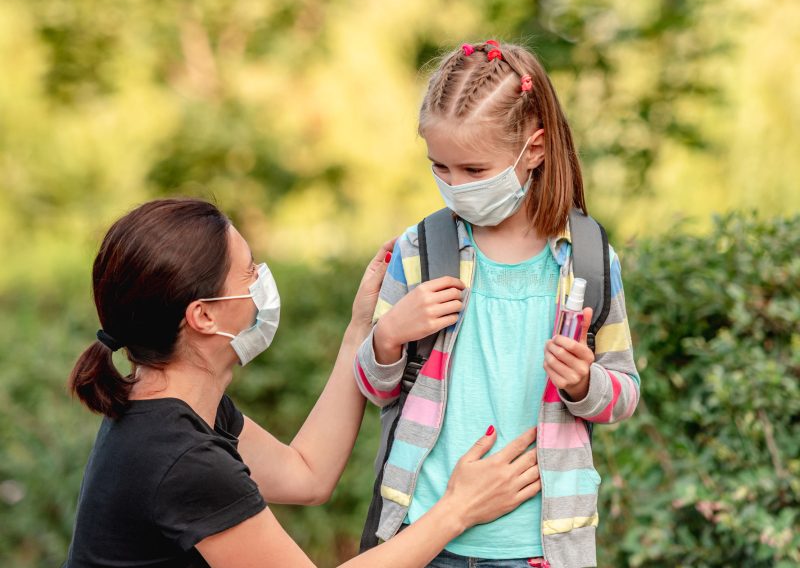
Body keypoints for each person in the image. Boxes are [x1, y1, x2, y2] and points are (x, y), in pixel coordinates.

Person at [63, 197, 542, 568]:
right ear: (204, 315)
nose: (260, 281)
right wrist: (458, 509)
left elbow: (306, 474)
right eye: (249, 270)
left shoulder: (174, 410)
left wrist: (361, 330)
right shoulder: (180, 457)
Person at [354, 40, 640, 568]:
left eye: (474, 170)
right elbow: (374, 389)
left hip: (540, 548)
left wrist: (583, 383)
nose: (454, 186)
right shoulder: (420, 251)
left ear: (534, 149)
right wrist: (390, 335)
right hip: (423, 535)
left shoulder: (588, 262)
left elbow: (623, 394)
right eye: (439, 167)